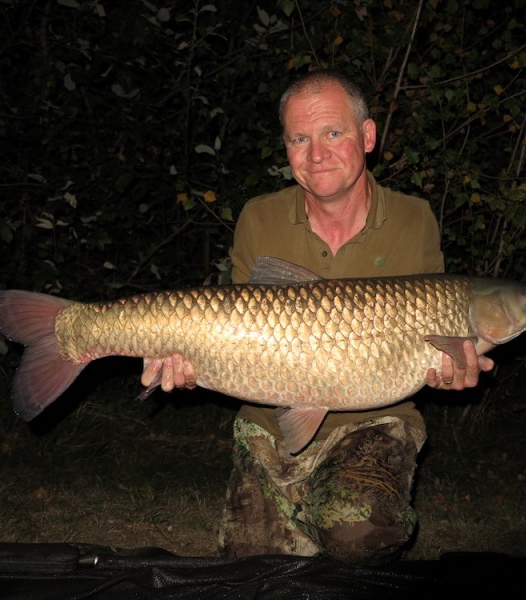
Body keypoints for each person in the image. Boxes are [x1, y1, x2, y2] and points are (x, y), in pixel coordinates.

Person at [141, 70, 493, 565]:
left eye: (333, 133)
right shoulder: (259, 217)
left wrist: (450, 374)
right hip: (269, 421)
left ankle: (340, 512)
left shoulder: (414, 219)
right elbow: (239, 340)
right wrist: (194, 366)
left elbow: (434, 354)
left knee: (358, 534)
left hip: (375, 421)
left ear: (367, 136)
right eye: (299, 139)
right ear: (285, 147)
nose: (316, 154)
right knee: (253, 573)